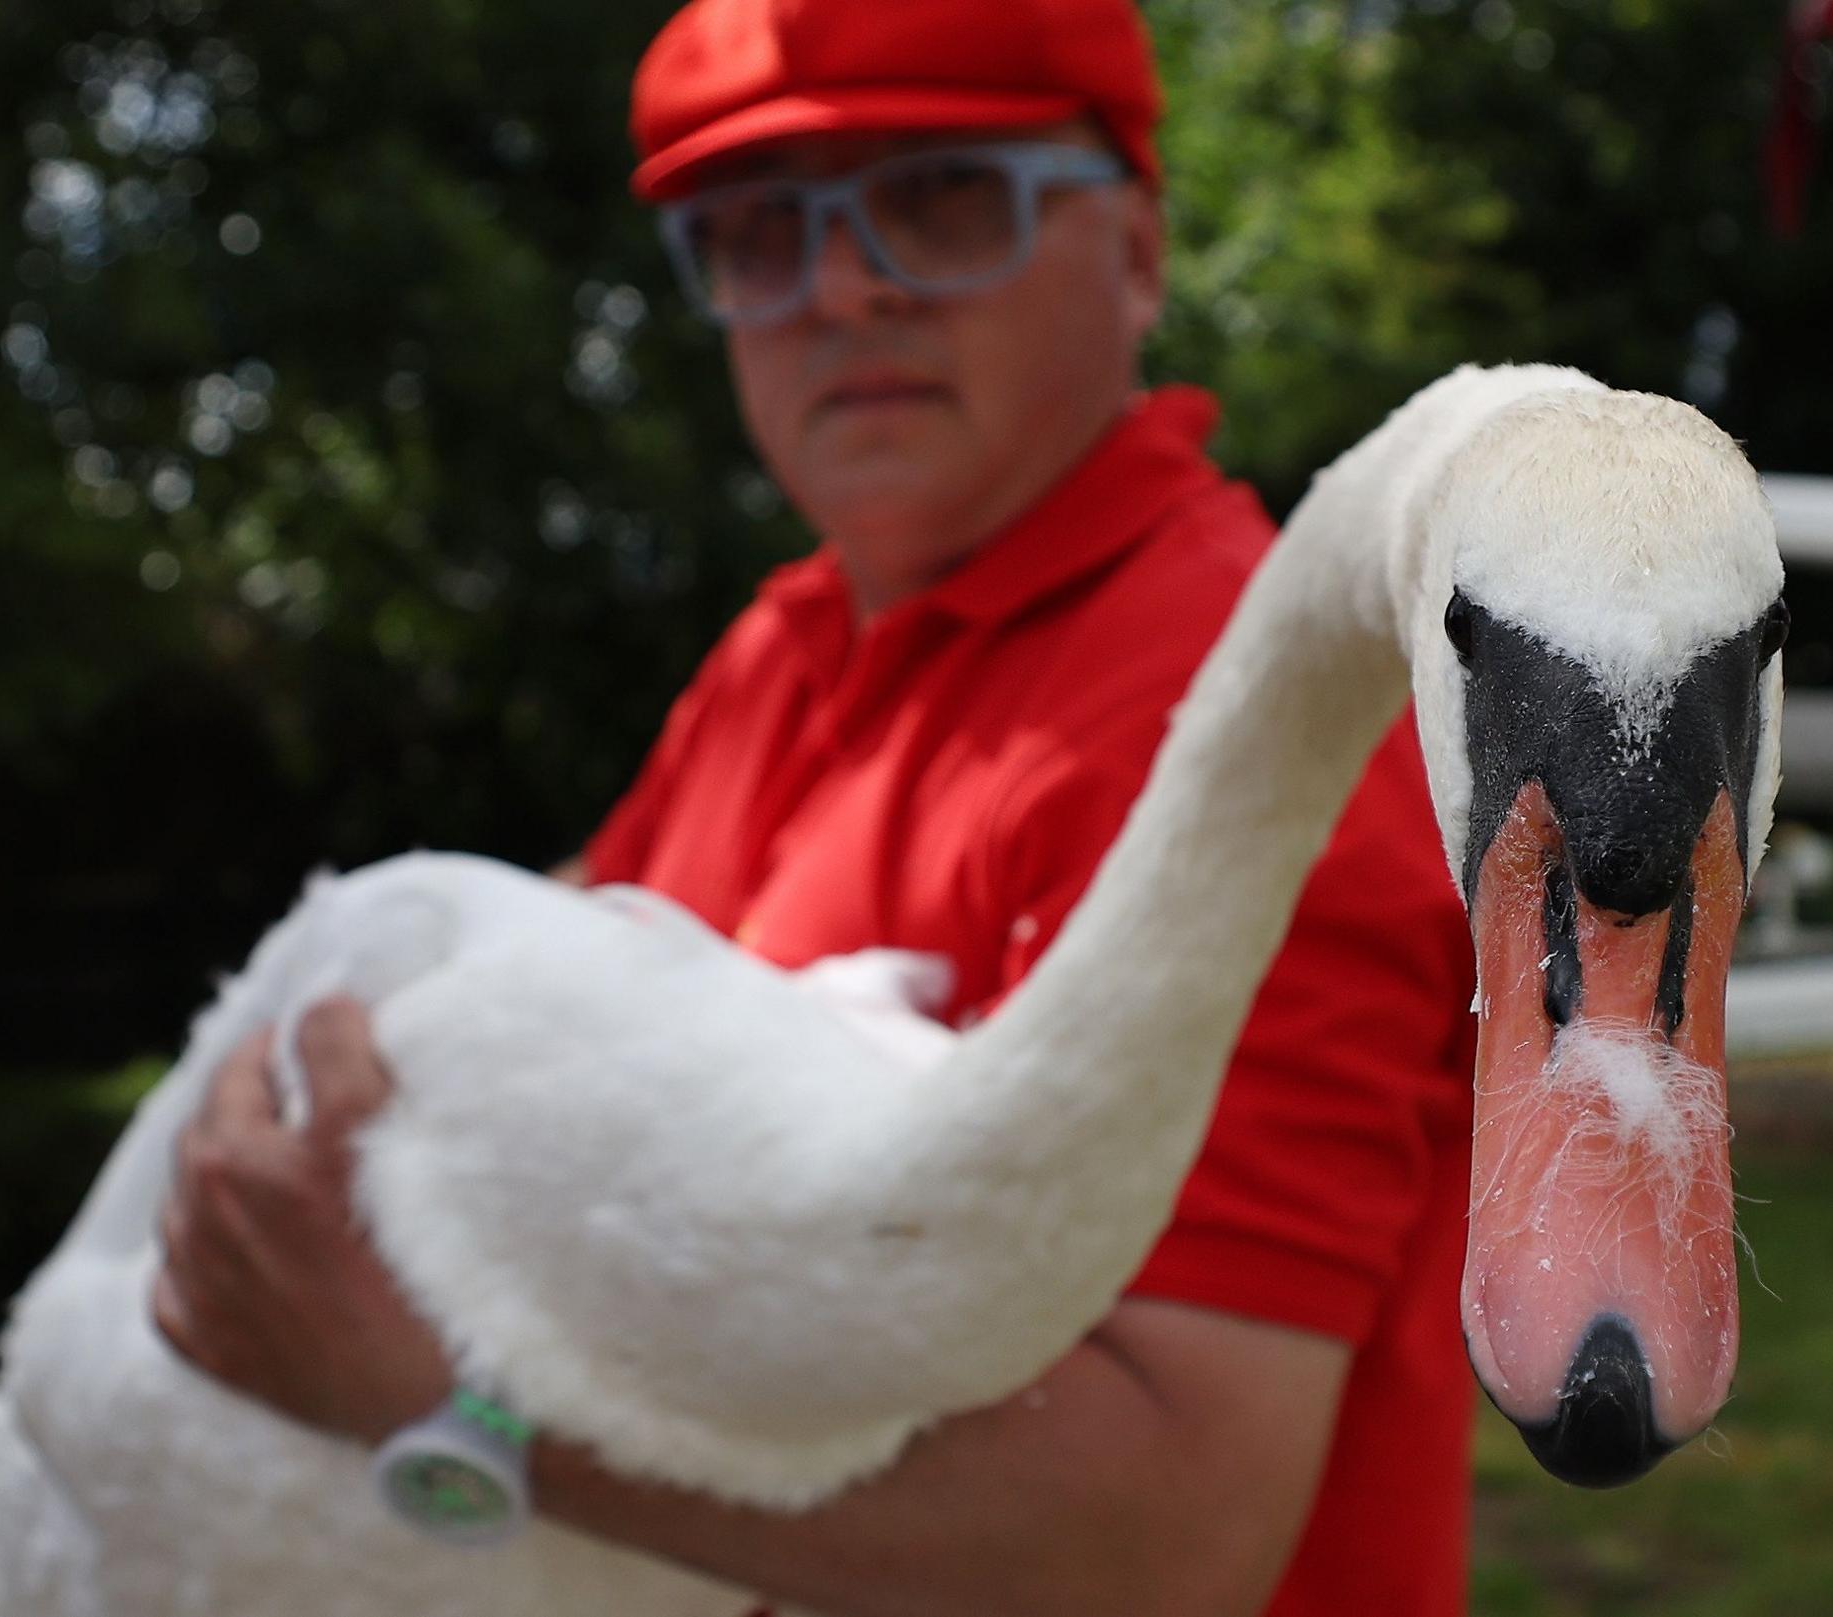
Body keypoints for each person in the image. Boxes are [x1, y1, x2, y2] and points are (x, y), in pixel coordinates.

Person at [149, 1, 1479, 1613]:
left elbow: (1173, 1530)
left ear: (1134, 252)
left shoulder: (1234, 726)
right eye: (761, 230)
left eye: (942, 198)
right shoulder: (783, 650)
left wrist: (443, 1398)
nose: (841, 285)